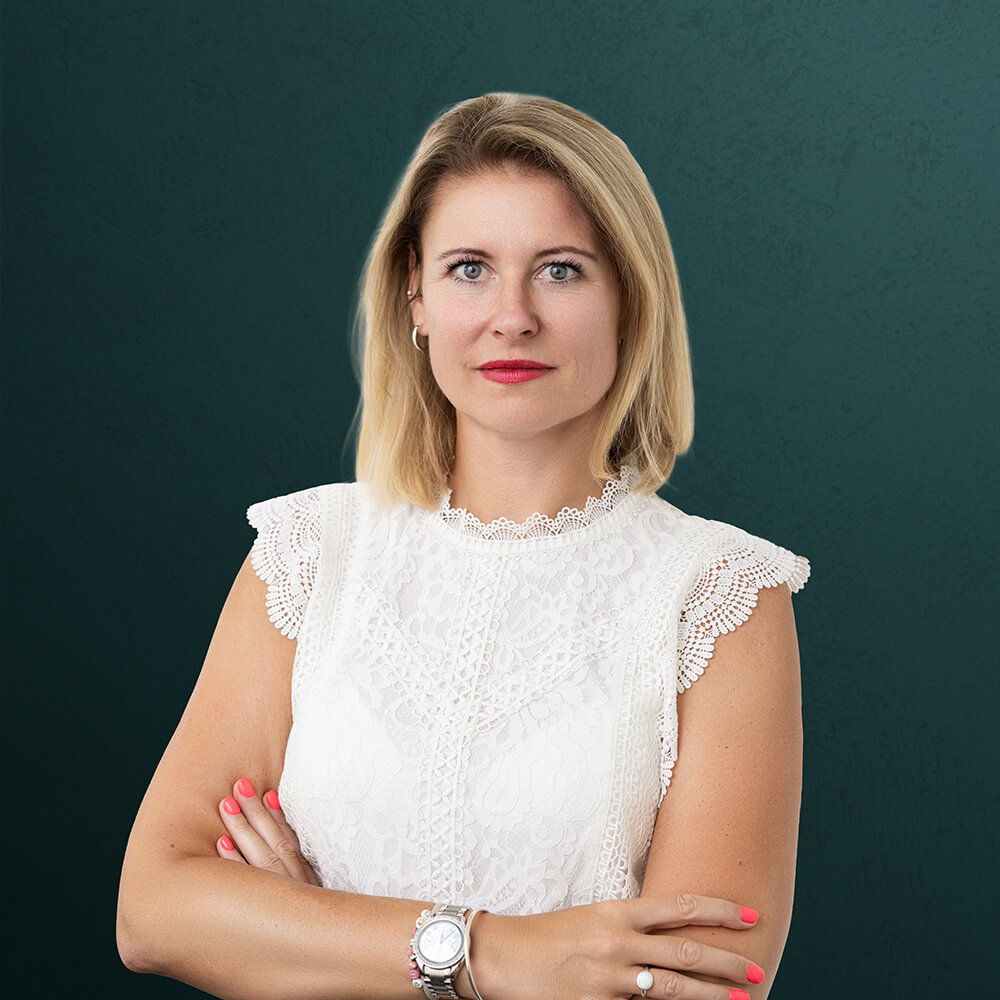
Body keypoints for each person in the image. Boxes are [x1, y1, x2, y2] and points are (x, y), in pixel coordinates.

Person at [117, 93, 809, 1000]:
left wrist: (305, 934)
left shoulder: (719, 595)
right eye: (470, 268)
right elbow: (151, 912)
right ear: (416, 295)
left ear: (629, 299)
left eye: (560, 271)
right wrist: (491, 954)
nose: (511, 316)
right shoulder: (308, 555)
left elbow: (700, 989)